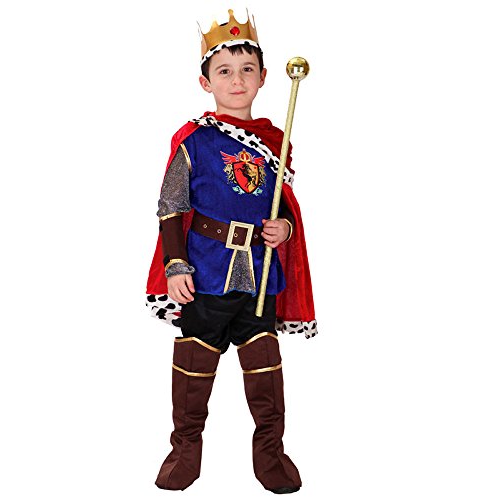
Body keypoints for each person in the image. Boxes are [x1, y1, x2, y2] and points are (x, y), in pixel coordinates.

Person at [145, 8, 317, 494]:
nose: (236, 80)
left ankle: (270, 456)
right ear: (206, 82)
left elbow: (281, 206)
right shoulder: (195, 141)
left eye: (246, 70)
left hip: (260, 275)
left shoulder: (275, 142)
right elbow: (171, 207)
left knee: (265, 372)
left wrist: (284, 228)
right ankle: (185, 452)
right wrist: (176, 265)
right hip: (207, 271)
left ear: (263, 78)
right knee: (195, 370)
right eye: (224, 71)